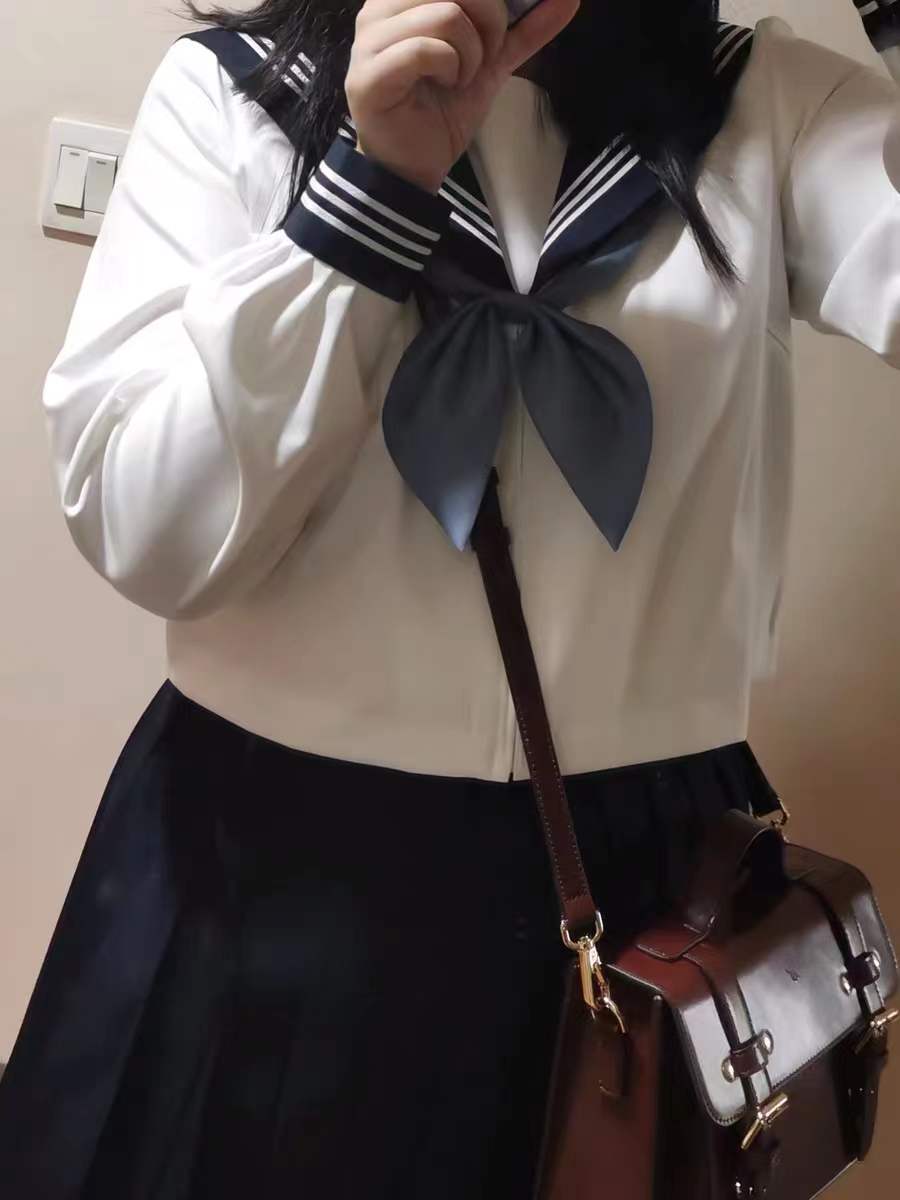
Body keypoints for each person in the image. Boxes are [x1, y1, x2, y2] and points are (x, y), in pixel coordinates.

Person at [1, 0, 898, 1196]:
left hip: (640, 875)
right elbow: (141, 529)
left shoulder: (762, 106)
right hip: (260, 857)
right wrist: (361, 204)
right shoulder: (231, 96)